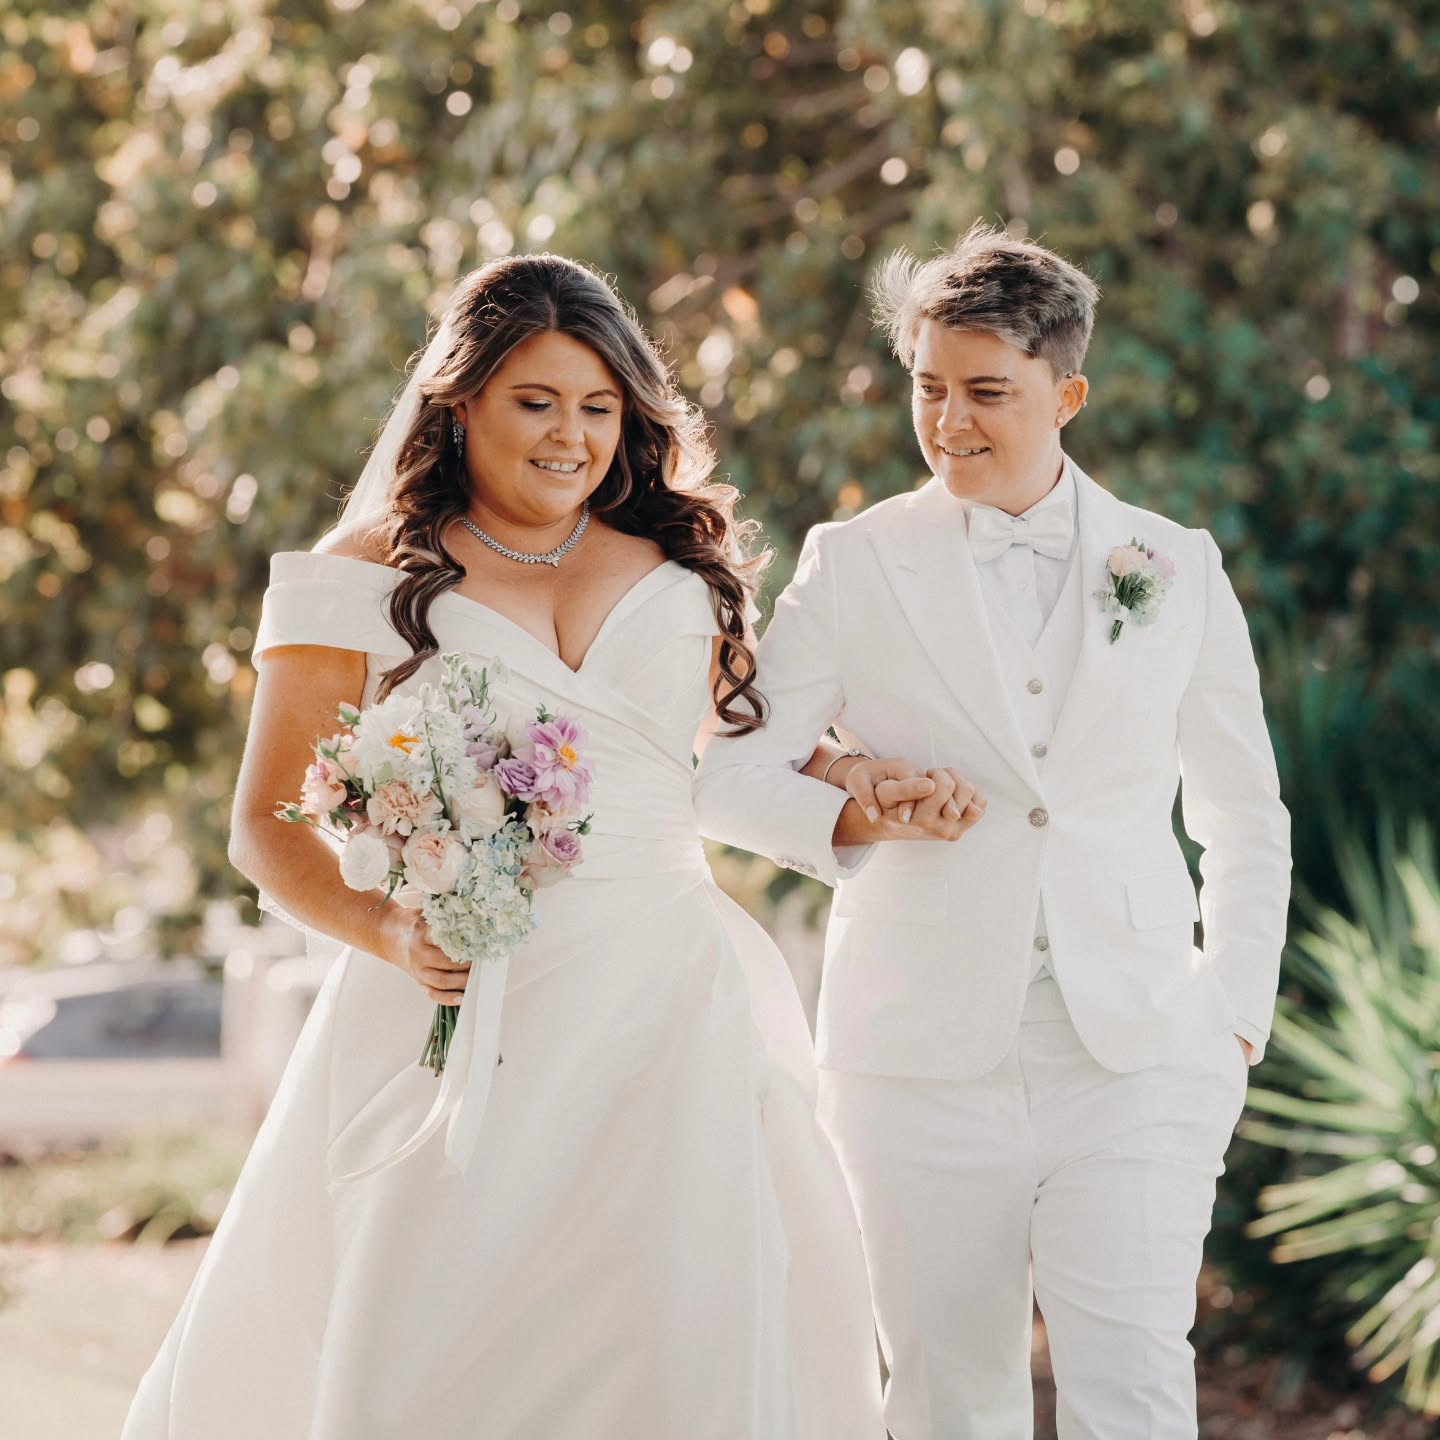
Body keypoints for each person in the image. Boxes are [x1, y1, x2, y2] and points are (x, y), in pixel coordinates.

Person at [123, 254, 883, 1440]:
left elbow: (745, 755)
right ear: (462, 400)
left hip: (672, 1005)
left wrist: (864, 783)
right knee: (436, 1336)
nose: (571, 437)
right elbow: (264, 823)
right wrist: (388, 928)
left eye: (598, 407)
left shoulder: (682, 567)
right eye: (536, 402)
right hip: (461, 1002)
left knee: (676, 1325)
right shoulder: (362, 574)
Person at [694, 224, 1291, 1439]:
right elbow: (728, 773)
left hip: (1137, 1052)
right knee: (945, 1400)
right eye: (928, 387)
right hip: (913, 1058)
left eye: (986, 393)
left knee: (1136, 1394)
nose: (948, 421)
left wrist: (1229, 1022)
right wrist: (858, 807)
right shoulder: (855, 563)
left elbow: (1244, 815)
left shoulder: (1176, 566)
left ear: (1066, 396)